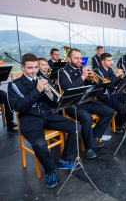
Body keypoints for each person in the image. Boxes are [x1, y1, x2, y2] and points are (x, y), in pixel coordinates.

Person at [8, 53, 81, 188]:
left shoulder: (42, 78)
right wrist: (37, 91)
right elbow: (18, 107)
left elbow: (54, 103)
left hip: (48, 115)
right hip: (30, 120)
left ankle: (65, 160)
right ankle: (50, 171)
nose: (34, 71)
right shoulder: (14, 85)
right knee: (40, 144)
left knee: (75, 127)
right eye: (30, 68)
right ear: (22, 67)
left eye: (36, 67)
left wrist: (50, 93)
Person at [59, 48, 115, 159]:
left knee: (109, 111)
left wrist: (91, 80)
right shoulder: (62, 72)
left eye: (80, 58)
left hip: (85, 100)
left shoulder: (81, 69)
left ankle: (94, 136)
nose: (79, 60)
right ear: (69, 59)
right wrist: (83, 76)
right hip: (73, 104)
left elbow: (86, 86)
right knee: (87, 118)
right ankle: (89, 148)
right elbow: (68, 89)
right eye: (76, 58)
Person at [94, 53, 126, 130]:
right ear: (102, 61)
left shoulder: (110, 69)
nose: (111, 62)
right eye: (108, 61)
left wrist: (122, 78)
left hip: (114, 92)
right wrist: (116, 75)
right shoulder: (97, 71)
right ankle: (116, 123)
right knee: (124, 109)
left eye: (111, 60)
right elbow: (106, 85)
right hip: (105, 96)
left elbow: (114, 83)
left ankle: (119, 121)